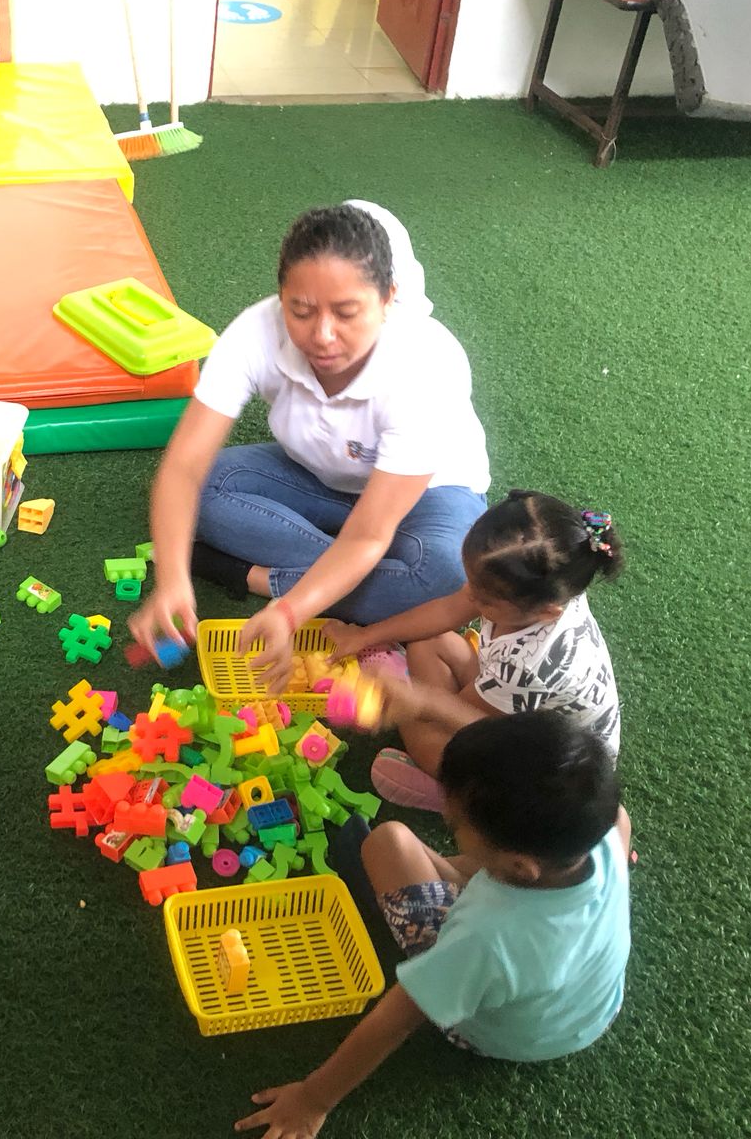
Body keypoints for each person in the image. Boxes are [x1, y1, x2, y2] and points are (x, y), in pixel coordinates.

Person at [237, 684, 632, 1139]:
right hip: (584, 1011)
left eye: (455, 824)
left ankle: (408, 897)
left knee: (387, 843)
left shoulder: (486, 937)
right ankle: (451, 880)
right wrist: (427, 704)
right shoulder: (603, 826)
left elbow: (397, 1019)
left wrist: (312, 1100)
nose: (449, 819)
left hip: (497, 1031)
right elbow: (529, 768)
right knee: (413, 851)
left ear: (520, 867)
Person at [128, 201, 490, 689]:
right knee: (209, 486)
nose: (322, 335)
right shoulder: (256, 331)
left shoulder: (426, 366)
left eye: (346, 313)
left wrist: (289, 608)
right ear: (281, 298)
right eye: (300, 310)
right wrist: (172, 578)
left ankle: (251, 575)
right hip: (320, 478)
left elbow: (368, 534)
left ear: (389, 299)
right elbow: (184, 467)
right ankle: (374, 586)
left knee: (447, 574)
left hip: (428, 495)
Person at [327, 490, 623, 811]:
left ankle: (461, 800)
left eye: (485, 600)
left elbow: (478, 726)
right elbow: (447, 610)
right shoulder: (550, 585)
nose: (470, 597)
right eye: (472, 583)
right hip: (522, 710)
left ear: (546, 612)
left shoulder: (531, 663)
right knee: (428, 642)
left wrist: (415, 699)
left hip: (546, 775)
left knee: (424, 736)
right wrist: (366, 635)